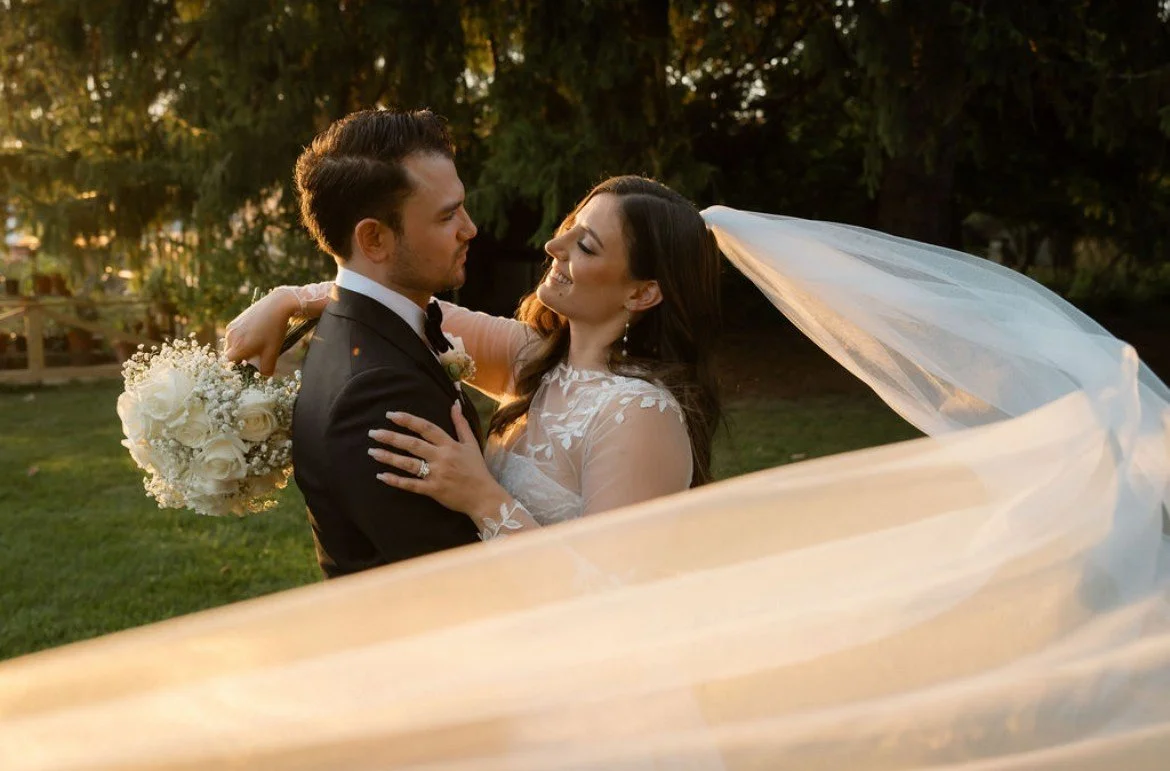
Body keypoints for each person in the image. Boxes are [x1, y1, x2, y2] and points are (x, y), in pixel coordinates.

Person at [226, 175, 724, 542]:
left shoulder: (639, 415)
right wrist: (287, 299)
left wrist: (482, 497)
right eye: (569, 228)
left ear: (642, 294)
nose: (554, 245)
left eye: (585, 245)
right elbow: (398, 302)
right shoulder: (534, 357)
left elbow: (607, 594)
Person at [226, 107, 484, 578]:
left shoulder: (355, 324)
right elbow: (453, 581)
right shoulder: (378, 392)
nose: (470, 228)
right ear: (375, 239)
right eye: (448, 216)